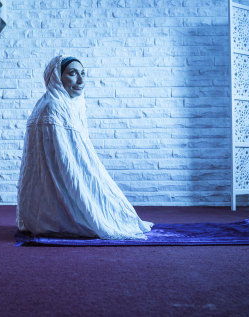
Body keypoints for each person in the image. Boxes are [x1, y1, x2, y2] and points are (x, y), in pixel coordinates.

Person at [16, 55, 153, 239]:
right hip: (52, 204)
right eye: (72, 73)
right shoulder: (54, 107)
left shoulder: (61, 104)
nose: (81, 80)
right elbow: (66, 163)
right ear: (56, 76)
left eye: (83, 74)